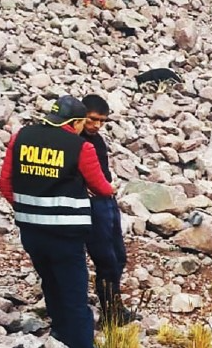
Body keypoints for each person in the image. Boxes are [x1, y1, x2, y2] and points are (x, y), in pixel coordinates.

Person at [0, 95, 119, 348]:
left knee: (50, 280)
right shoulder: (81, 147)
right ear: (75, 122)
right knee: (76, 295)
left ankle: (60, 330)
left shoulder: (21, 137)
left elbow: (5, 183)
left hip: (31, 231)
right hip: (66, 235)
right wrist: (111, 191)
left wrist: (27, 208)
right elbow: (100, 187)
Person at [80, 94, 132, 325]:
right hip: (93, 206)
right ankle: (111, 312)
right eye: (92, 119)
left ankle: (114, 307)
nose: (96, 125)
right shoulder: (76, 141)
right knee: (106, 259)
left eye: (102, 121)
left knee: (118, 257)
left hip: (106, 200)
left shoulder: (97, 140)